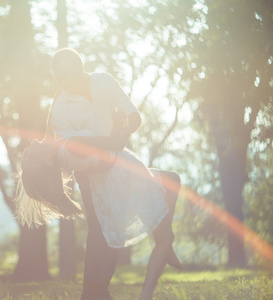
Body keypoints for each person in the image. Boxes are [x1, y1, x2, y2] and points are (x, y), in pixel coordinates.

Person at [15, 48, 182, 300]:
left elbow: (132, 116)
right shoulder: (61, 112)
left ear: (81, 67)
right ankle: (160, 246)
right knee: (103, 237)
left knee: (167, 185)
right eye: (60, 77)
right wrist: (114, 135)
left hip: (119, 164)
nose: (65, 82)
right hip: (99, 179)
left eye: (68, 74)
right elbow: (92, 150)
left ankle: (162, 243)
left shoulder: (104, 82)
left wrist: (123, 131)